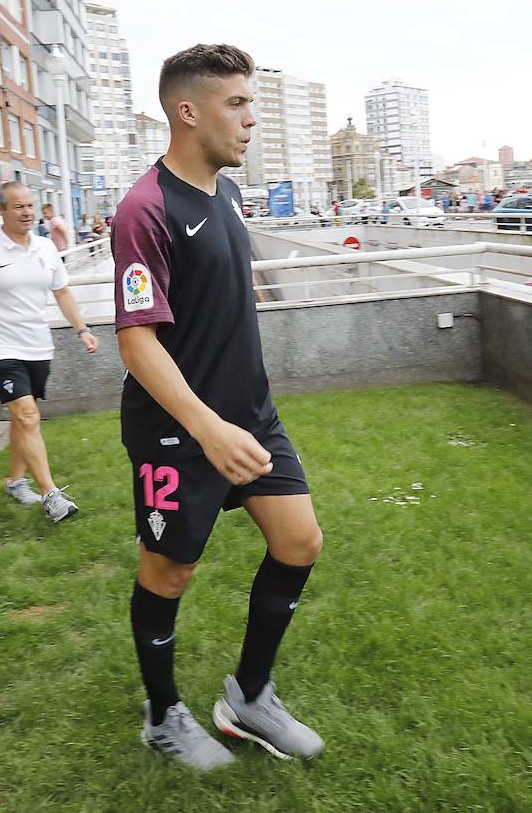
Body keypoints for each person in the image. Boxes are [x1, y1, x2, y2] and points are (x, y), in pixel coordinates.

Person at [111, 44, 324, 771]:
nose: (251, 119)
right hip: (178, 432)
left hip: (250, 415)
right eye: (237, 104)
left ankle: (249, 698)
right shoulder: (145, 209)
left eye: (251, 103)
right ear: (188, 111)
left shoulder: (229, 195)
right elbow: (137, 343)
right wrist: (207, 427)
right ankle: (163, 713)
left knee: (299, 542)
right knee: (170, 572)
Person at [0, 181, 95, 521]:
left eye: (30, 205)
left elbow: (62, 293)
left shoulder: (45, 248)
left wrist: (83, 329)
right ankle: (51, 495)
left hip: (37, 346)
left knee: (22, 417)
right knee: (28, 415)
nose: (27, 211)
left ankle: (15, 481)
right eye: (18, 206)